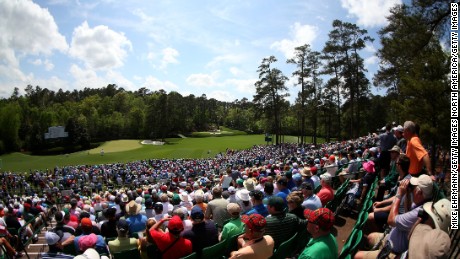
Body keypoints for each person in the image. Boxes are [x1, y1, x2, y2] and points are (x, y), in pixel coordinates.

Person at [355, 174, 434, 258]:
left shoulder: (419, 212)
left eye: (413, 188)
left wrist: (399, 195)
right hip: (392, 239)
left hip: (393, 251)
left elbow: (391, 220)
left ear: (419, 192)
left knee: (357, 256)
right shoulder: (420, 204)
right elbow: (407, 212)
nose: (411, 190)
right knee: (370, 237)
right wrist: (406, 194)